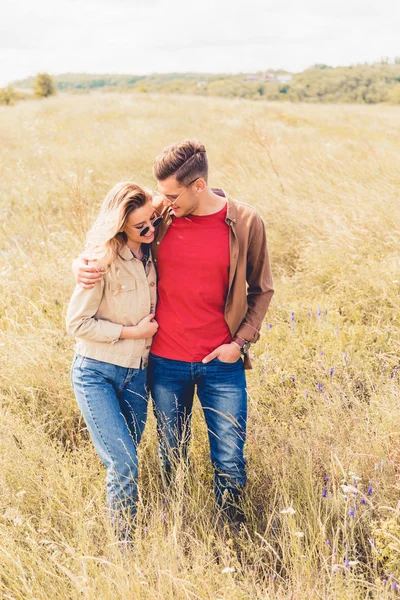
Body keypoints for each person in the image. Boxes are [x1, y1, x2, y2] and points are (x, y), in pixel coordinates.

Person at [75, 140, 274, 526]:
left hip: (222, 363)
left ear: (198, 185)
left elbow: (262, 289)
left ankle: (230, 535)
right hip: (165, 362)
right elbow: (111, 239)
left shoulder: (246, 222)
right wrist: (78, 265)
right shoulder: (160, 218)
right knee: (172, 454)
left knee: (230, 458)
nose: (162, 201)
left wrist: (240, 343)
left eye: (170, 194)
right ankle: (177, 528)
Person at [66, 181, 161, 541]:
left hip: (136, 376)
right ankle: (125, 549)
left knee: (124, 463)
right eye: (142, 227)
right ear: (121, 226)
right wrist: (130, 333)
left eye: (153, 221)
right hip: (96, 374)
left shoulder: (153, 249)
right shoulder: (100, 262)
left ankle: (118, 524)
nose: (152, 229)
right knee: (124, 463)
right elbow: (77, 323)